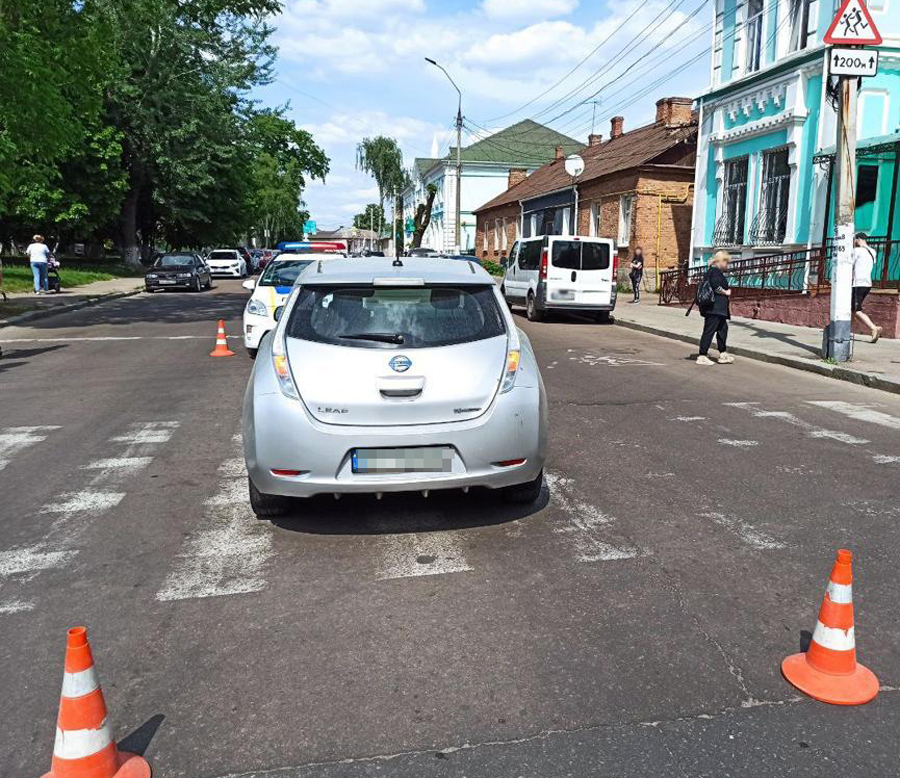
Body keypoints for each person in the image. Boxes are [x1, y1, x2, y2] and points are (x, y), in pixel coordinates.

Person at [697, 250, 734, 365]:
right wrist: (726, 292)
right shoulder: (715, 272)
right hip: (714, 308)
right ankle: (702, 356)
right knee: (709, 331)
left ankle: (722, 354)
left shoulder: (715, 272)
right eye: (726, 262)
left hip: (719, 310)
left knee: (723, 330)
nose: (727, 265)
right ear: (721, 261)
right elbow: (716, 287)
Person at [851, 232, 881, 343]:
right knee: (852, 309)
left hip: (857, 284)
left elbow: (849, 265)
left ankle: (874, 328)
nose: (854, 242)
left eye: (854, 240)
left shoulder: (856, 251)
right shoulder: (873, 251)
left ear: (858, 239)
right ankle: (846, 331)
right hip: (867, 284)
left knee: (855, 309)